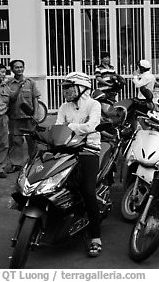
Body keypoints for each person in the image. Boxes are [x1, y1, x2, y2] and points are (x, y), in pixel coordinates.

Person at [55, 71, 103, 257]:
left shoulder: (94, 104)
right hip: (67, 149)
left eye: (69, 87)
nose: (66, 91)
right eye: (65, 88)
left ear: (82, 88)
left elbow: (91, 127)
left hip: (88, 150)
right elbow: (58, 127)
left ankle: (96, 237)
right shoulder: (63, 107)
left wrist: (70, 127)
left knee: (88, 191)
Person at [5, 60, 41, 173]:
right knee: (15, 142)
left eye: (21, 67)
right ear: (12, 70)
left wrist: (36, 114)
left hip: (29, 118)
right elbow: (7, 100)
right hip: (14, 117)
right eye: (16, 67)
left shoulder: (31, 82)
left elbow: (35, 98)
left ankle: (34, 162)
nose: (19, 69)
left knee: (32, 141)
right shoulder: (8, 84)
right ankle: (16, 164)